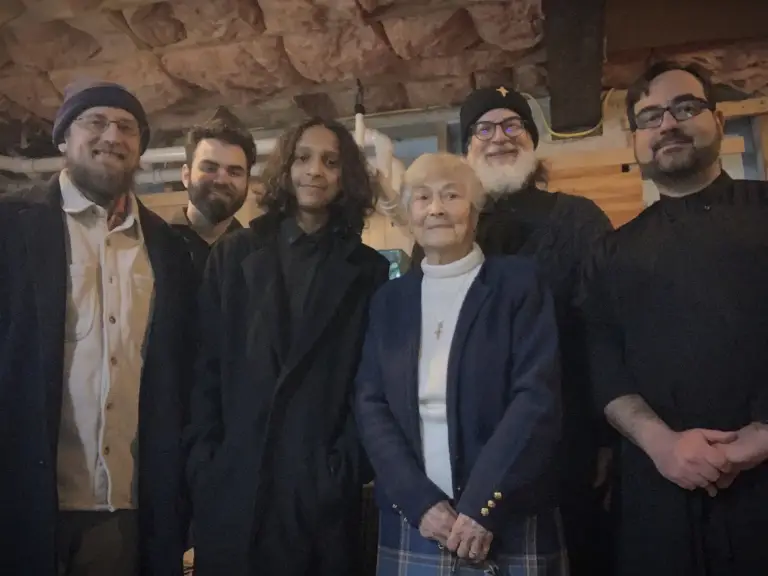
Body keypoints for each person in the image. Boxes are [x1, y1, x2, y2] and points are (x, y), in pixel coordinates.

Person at [413, 86, 614, 575]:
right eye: (484, 128)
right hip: (461, 456)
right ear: (468, 147)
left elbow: (607, 330)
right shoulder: (445, 229)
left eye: (512, 125)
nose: (499, 138)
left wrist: (609, 436)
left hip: (565, 446)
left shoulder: (579, 219)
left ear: (532, 138)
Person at [0, 81, 196, 576]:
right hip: (21, 497)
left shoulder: (171, 252)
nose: (113, 135)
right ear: (64, 138)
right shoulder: (9, 229)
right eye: (95, 122)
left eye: (127, 127)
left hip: (124, 510)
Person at [582, 61, 768, 576]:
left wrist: (760, 437)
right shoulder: (611, 252)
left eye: (685, 107)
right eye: (650, 117)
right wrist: (662, 445)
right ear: (636, 140)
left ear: (721, 120)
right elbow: (602, 364)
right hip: (658, 487)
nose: (667, 124)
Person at [186, 117, 391, 576]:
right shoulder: (235, 252)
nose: (314, 171)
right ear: (285, 168)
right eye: (302, 158)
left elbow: (370, 380)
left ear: (346, 176)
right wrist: (206, 462)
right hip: (233, 482)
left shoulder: (369, 271)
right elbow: (206, 366)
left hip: (318, 489)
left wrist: (342, 468)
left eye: (331, 161)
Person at [356, 152, 566, 575]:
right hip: (415, 520)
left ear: (474, 210)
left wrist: (481, 506)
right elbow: (370, 403)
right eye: (422, 197)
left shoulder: (519, 283)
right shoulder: (389, 301)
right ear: (409, 212)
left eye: (451, 196)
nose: (436, 208)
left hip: (509, 513)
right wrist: (420, 503)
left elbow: (536, 397)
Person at [170, 119, 257, 278]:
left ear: (247, 183)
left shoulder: (258, 257)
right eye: (210, 168)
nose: (222, 180)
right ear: (186, 175)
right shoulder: (153, 246)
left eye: (234, 172)